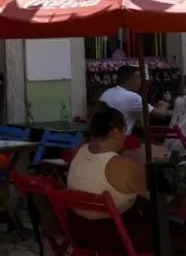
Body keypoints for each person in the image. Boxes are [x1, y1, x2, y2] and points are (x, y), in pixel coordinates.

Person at [65, 105, 186, 252]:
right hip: (113, 235)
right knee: (179, 237)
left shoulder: (80, 151)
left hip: (78, 231)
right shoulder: (121, 166)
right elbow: (162, 197)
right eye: (124, 130)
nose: (125, 135)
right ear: (116, 132)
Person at [99, 65, 169, 135]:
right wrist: (164, 104)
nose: (141, 83)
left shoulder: (108, 92)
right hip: (120, 138)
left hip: (104, 137)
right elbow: (161, 114)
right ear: (130, 80)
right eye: (139, 79)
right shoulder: (132, 97)